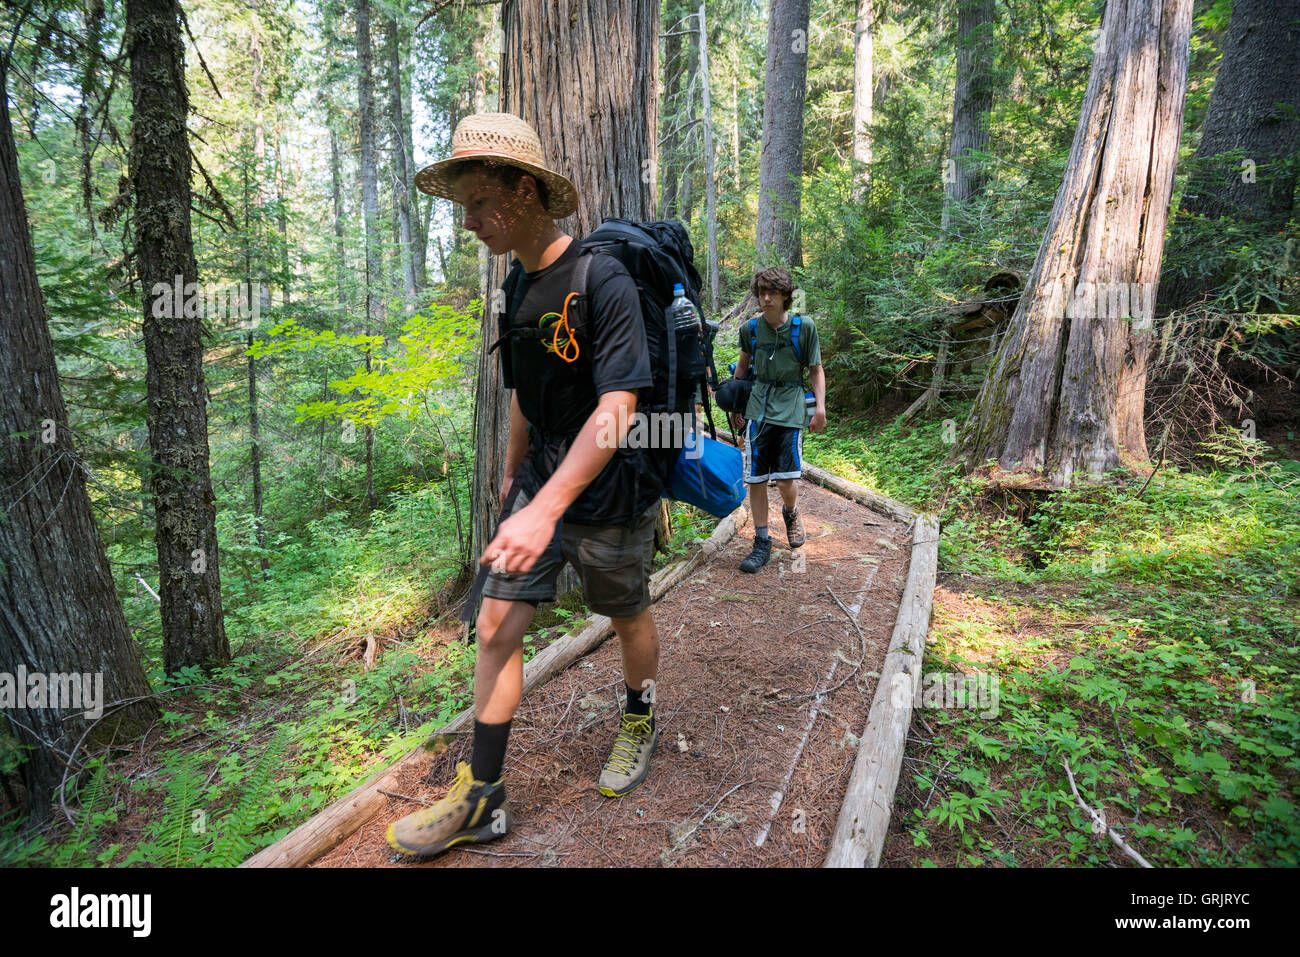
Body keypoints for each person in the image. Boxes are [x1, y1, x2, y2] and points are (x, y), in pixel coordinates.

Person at [387, 113, 664, 858]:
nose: (469, 221)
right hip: (539, 480)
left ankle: (639, 714)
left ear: (523, 188)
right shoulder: (516, 279)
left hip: (605, 490)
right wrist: (515, 473)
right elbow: (522, 383)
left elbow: (618, 410)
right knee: (494, 626)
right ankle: (483, 797)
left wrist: (546, 508)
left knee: (625, 610)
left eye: (479, 202)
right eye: (464, 208)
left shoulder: (600, 278)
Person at [732, 266, 826, 573]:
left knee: (787, 479)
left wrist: (820, 407)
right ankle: (761, 541)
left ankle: (791, 510)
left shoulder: (804, 328)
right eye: (762, 293)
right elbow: (743, 368)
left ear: (786, 295)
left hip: (791, 406)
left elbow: (815, 369)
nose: (766, 298)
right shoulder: (751, 330)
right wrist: (735, 404)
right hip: (758, 405)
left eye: (773, 293)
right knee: (756, 478)